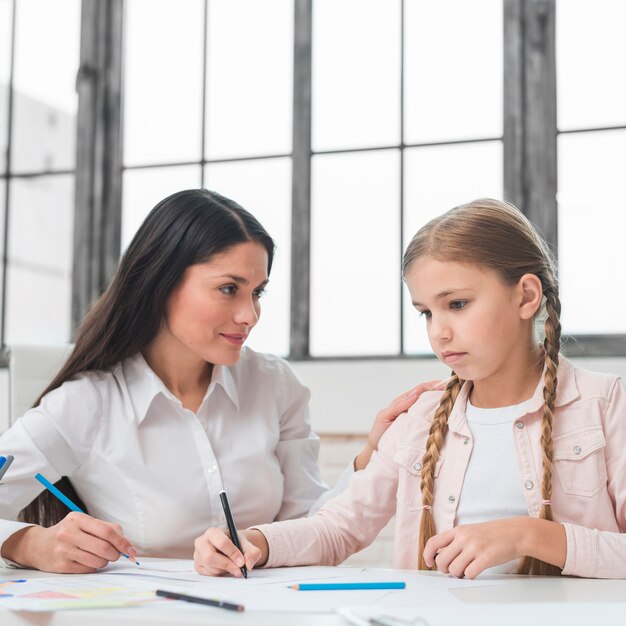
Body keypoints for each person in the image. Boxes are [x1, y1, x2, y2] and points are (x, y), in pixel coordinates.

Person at [0, 189, 430, 573]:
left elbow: (312, 522)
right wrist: (31, 543)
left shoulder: (274, 385)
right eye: (229, 289)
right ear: (160, 284)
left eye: (257, 292)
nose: (250, 315)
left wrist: (370, 456)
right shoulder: (86, 404)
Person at [194, 198, 626, 580]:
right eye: (425, 312)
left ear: (526, 296)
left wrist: (530, 536)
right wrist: (254, 542)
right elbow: (337, 528)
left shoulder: (605, 406)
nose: (439, 332)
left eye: (457, 304)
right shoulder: (421, 417)